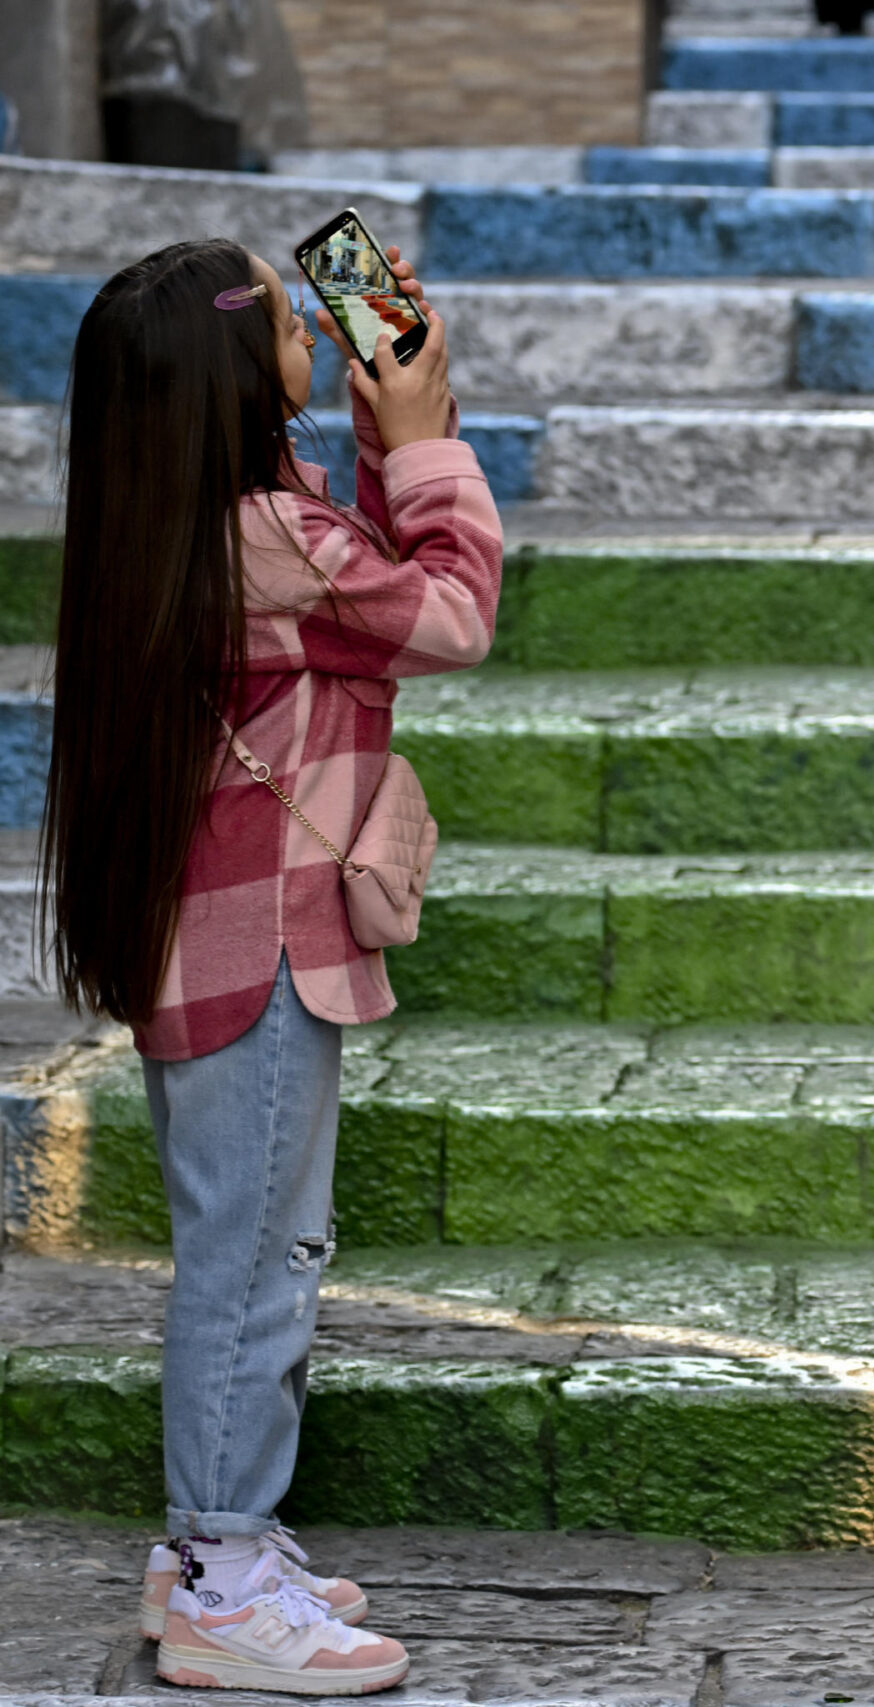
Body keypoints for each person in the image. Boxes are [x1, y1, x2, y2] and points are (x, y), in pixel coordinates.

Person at [42, 236, 501, 1693]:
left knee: (254, 1248)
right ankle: (224, 1580)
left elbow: (356, 588)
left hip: (225, 941)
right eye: (296, 322)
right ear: (235, 374)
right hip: (261, 953)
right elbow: (447, 614)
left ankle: (209, 1556)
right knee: (254, 1264)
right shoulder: (266, 535)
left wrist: (380, 419)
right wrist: (421, 439)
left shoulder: (207, 518)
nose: (318, 329)